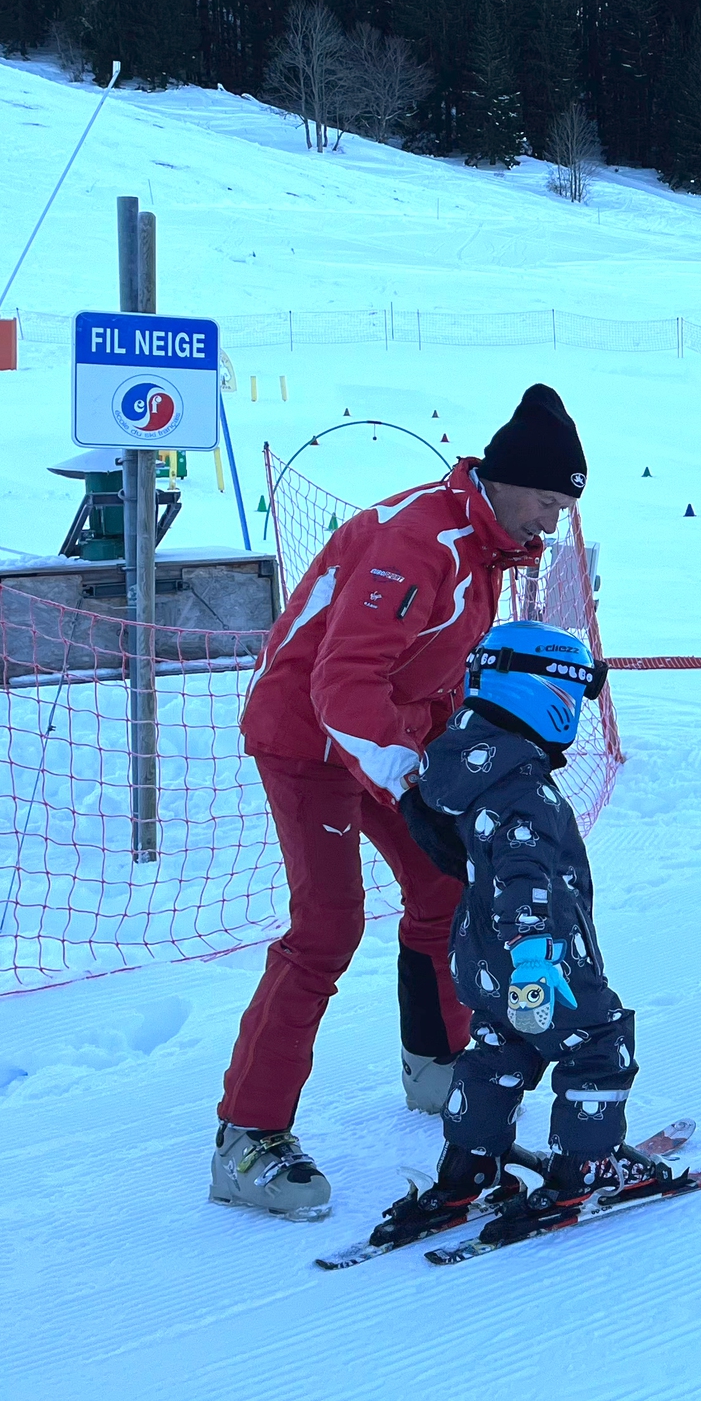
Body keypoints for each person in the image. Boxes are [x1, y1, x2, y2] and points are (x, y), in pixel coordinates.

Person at [209, 385, 590, 1220]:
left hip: (387, 737)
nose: (552, 525)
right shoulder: (419, 540)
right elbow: (340, 684)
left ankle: (438, 1066)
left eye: (564, 508)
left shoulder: (485, 545)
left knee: (444, 889)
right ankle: (247, 1138)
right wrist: (414, 785)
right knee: (327, 926)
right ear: (509, 480)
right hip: (309, 737)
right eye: (547, 503)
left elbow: (433, 666)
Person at [360, 620, 675, 1249]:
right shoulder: (522, 787)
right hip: (537, 954)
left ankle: (468, 1169)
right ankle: (585, 1167)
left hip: (479, 954)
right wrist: (535, 955)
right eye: (578, 696)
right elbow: (525, 874)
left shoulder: (463, 764)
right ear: (547, 692)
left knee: (499, 1048)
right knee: (597, 1041)